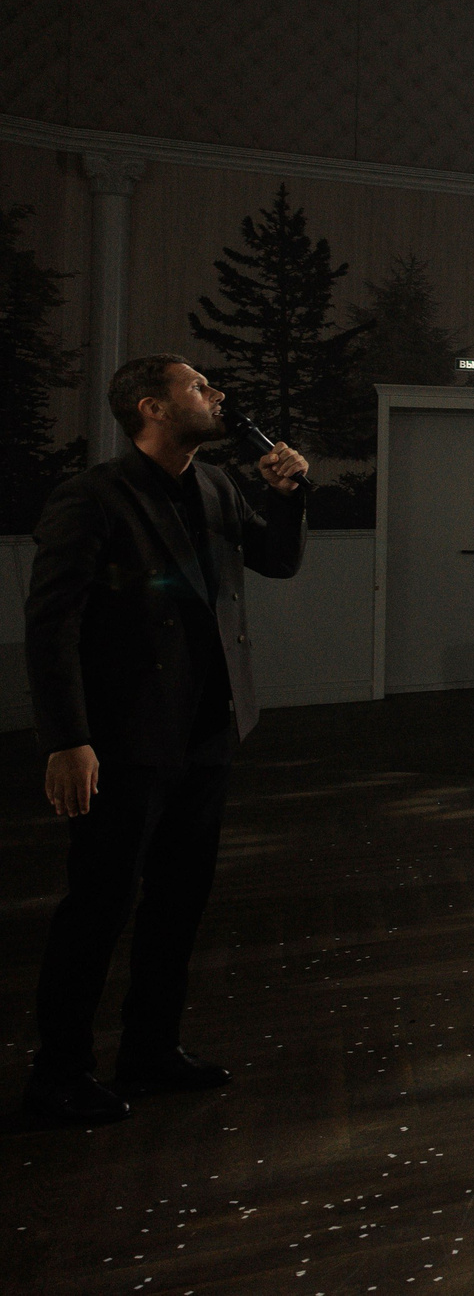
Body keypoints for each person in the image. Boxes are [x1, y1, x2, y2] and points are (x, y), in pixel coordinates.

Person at [22, 354, 308, 1126]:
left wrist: (287, 497)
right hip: (124, 737)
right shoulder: (93, 497)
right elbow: (52, 625)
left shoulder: (217, 486)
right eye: (199, 387)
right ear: (152, 407)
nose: (217, 396)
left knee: (179, 901)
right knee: (98, 906)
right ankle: (59, 1073)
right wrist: (68, 739)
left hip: (206, 730)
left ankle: (150, 1049)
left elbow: (278, 561)